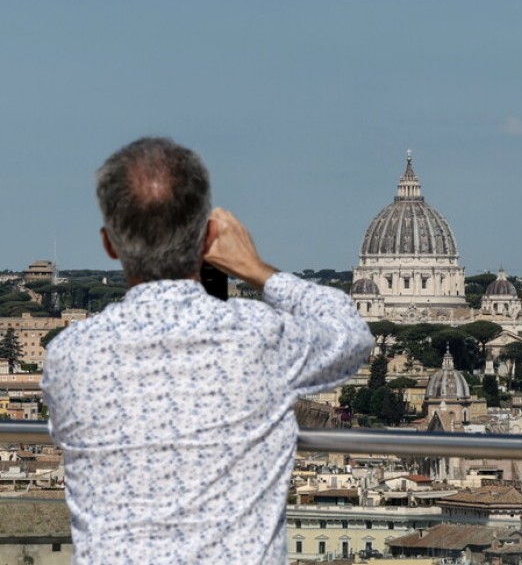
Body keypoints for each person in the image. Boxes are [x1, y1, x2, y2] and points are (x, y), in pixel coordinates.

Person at [41, 137, 374, 563]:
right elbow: (351, 333)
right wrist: (256, 270)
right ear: (210, 236)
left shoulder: (69, 354)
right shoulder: (259, 337)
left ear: (109, 244)